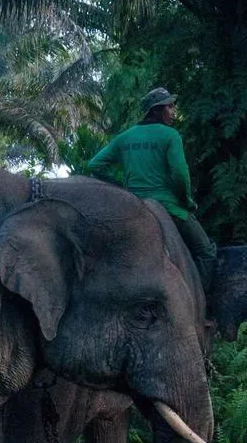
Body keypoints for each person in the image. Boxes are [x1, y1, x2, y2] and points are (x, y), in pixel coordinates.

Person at [87, 87, 217, 292]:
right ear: (156, 110)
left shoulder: (125, 137)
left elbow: (94, 165)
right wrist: (187, 201)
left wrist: (121, 187)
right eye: (169, 107)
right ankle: (202, 305)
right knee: (206, 251)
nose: (173, 112)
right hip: (170, 208)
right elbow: (180, 174)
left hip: (134, 207)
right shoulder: (170, 135)